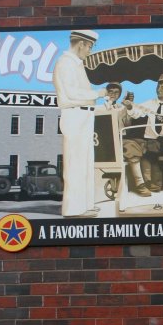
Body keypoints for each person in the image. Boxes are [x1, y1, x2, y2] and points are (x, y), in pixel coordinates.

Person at [52, 29, 105, 217]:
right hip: (74, 116)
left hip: (83, 116)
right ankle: (73, 209)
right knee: (75, 164)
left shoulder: (76, 64)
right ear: (81, 43)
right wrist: (98, 94)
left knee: (86, 164)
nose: (90, 50)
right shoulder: (66, 63)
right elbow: (72, 94)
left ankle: (86, 205)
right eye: (90, 46)